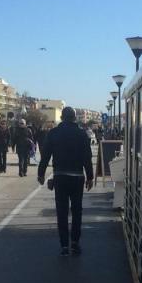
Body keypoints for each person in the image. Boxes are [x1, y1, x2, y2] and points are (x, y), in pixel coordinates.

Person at [37, 106, 94, 255]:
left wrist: (41, 173)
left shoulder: (53, 133)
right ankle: (75, 242)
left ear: (62, 117)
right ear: (74, 118)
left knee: (61, 212)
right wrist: (90, 176)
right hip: (77, 177)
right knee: (77, 211)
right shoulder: (82, 134)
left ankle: (64, 246)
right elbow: (87, 157)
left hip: (60, 176)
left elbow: (45, 155)